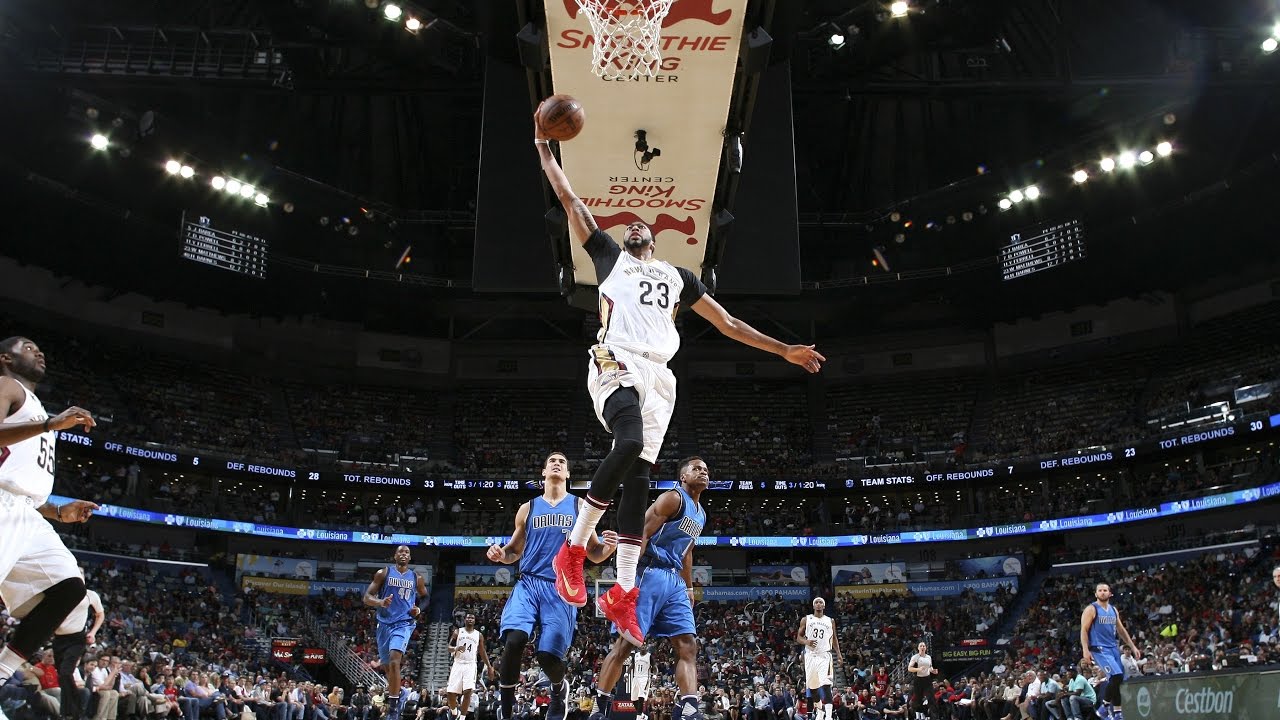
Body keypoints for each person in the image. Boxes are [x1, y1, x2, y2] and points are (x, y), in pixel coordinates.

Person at [535, 119, 826, 646]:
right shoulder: (611, 259)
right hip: (617, 357)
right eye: (629, 225)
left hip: (660, 376)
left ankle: (623, 592)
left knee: (639, 479)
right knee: (627, 441)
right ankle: (573, 550)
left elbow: (728, 324)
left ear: (655, 239)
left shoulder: (679, 277)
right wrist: (543, 146)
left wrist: (784, 350)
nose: (635, 227)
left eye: (642, 226)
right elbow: (572, 201)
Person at [486, 452, 619, 720]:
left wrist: (609, 548)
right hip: (529, 583)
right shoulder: (528, 508)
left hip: (561, 588)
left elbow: (594, 552)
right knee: (515, 640)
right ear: (544, 472)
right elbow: (513, 551)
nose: (557, 464)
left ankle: (559, 688)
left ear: (568, 474)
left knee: (547, 656)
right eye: (552, 462)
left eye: (562, 462)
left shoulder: (580, 506)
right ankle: (506, 710)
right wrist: (500, 555)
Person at [0, 336, 99, 692]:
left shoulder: (39, 408)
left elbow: (18, 475)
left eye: (39, 348)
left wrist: (56, 511)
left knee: (69, 588)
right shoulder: (6, 386)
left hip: (27, 512)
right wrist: (49, 426)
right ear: (5, 358)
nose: (38, 351)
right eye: (27, 347)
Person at [588, 457, 709, 720]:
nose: (703, 472)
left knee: (688, 644)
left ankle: (690, 707)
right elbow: (641, 533)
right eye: (696, 469)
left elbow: (687, 552)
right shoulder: (672, 498)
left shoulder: (701, 514)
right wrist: (627, 578)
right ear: (683, 476)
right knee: (626, 644)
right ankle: (600, 705)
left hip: (675, 581)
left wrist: (689, 588)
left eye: (705, 470)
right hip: (650, 572)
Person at [363, 545, 429, 720]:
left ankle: (393, 708)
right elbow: (367, 597)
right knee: (387, 667)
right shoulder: (383, 573)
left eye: (407, 552)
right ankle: (397, 694)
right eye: (401, 551)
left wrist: (419, 609)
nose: (404, 554)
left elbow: (425, 597)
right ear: (395, 556)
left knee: (394, 660)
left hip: (404, 623)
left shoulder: (416, 577)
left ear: (410, 557)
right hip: (384, 624)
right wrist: (380, 602)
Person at [1080, 583, 1140, 720]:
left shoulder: (1113, 610)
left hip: (1113, 647)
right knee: (1116, 675)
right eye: (1100, 590)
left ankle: (1118, 713)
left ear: (1110, 593)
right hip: (1099, 648)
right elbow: (1084, 630)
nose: (1102, 592)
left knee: (1117, 680)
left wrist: (1132, 646)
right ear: (1096, 594)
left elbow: (1121, 630)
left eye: (1105, 590)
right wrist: (1085, 649)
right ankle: (1104, 706)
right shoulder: (1091, 609)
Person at [52, 582, 104, 720]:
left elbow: (100, 614)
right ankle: (66, 714)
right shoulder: (59, 592)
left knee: (65, 671)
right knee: (63, 676)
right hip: (58, 638)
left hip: (77, 638)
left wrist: (93, 632)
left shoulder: (90, 594)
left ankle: (75, 711)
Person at [795, 598, 843, 720]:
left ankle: (829, 716)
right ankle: (820, 710)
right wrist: (806, 641)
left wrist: (839, 654)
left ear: (824, 606)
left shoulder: (830, 621)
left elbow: (834, 638)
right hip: (810, 655)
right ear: (813, 606)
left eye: (821, 602)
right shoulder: (806, 619)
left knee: (826, 684)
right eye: (816, 602)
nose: (818, 604)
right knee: (813, 688)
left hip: (824, 655)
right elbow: (798, 638)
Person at [445, 613, 495, 719]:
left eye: (472, 617)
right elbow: (449, 647)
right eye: (468, 617)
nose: (470, 619)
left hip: (470, 664)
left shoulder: (478, 635)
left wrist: (489, 667)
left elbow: (482, 651)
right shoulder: (458, 632)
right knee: (450, 693)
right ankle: (454, 712)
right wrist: (456, 648)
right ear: (465, 619)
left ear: (475, 620)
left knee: (468, 692)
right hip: (458, 663)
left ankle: (462, 718)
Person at [905, 642, 936, 720]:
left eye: (924, 646)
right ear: (918, 648)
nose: (922, 647)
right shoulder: (915, 657)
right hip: (918, 679)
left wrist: (933, 671)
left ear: (926, 648)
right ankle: (915, 716)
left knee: (931, 699)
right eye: (921, 646)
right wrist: (918, 669)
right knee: (917, 700)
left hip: (927, 679)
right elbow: (909, 668)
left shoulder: (929, 657)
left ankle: (933, 717)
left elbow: (930, 667)